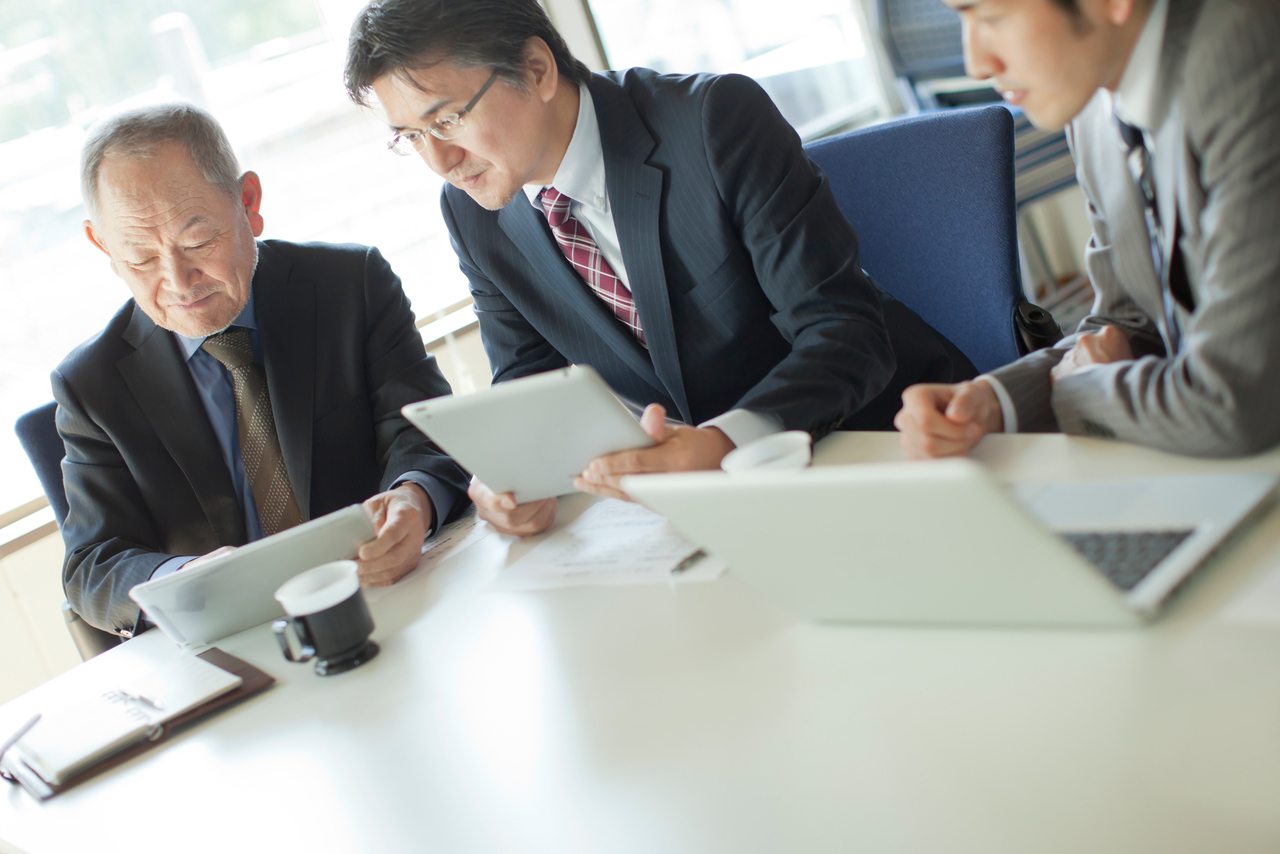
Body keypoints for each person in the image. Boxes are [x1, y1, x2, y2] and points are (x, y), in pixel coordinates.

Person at [343, 0, 976, 536]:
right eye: (410, 136)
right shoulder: (475, 212)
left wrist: (724, 442)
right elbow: (529, 373)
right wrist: (516, 472)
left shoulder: (712, 122)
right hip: (712, 514)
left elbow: (843, 330)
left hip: (885, 445)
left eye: (447, 119)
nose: (441, 160)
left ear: (535, 69)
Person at [55, 103, 471, 636]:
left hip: (394, 601)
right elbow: (92, 564)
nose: (179, 282)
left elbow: (425, 432)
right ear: (103, 246)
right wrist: (182, 577)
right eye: (140, 258)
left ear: (248, 203)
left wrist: (414, 500)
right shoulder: (92, 383)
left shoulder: (350, 286)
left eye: (198, 241)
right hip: (240, 641)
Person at [895, 0, 1280, 459]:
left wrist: (1085, 390)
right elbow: (1129, 322)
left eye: (992, 17)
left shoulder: (1247, 56)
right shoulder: (1094, 104)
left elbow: (1233, 404)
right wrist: (993, 403)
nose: (977, 64)